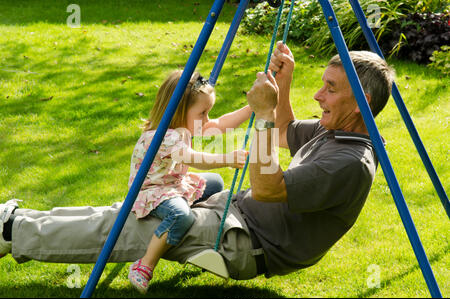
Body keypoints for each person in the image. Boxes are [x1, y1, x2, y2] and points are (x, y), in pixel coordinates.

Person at [0, 42, 395, 282]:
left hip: (244, 241)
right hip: (236, 212)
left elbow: (267, 186)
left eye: (330, 88)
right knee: (124, 212)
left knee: (117, 231)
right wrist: (283, 82)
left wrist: (260, 115)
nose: (318, 96)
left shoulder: (349, 162)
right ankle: (19, 220)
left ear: (361, 103)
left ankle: (11, 233)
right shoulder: (336, 130)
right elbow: (284, 131)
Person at [126, 70, 249, 293]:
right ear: (180, 110)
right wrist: (226, 159)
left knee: (215, 183)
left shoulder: (182, 126)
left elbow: (220, 124)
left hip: (172, 185)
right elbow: (193, 159)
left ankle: (199, 227)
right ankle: (145, 265)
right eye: (203, 113)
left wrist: (252, 107)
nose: (207, 119)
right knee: (180, 215)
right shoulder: (164, 136)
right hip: (153, 191)